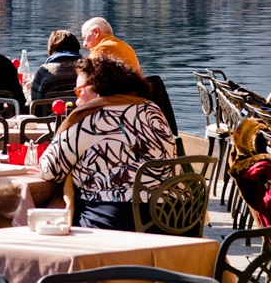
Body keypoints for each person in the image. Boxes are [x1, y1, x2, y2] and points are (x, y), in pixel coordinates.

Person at [38, 56, 175, 231]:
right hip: (171, 217)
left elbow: (50, 170)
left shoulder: (88, 119)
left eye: (79, 92)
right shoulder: (152, 109)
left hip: (113, 219)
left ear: (97, 87)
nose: (78, 100)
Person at [30, 30, 81, 101]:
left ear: (51, 48)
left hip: (49, 112)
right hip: (82, 111)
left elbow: (35, 102)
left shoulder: (44, 71)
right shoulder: (87, 68)